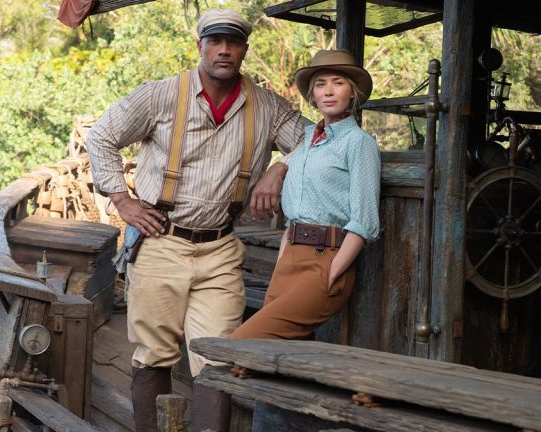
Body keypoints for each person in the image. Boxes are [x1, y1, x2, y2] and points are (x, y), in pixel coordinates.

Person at [86, 8, 312, 432]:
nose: (224, 50)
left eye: (234, 43)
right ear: (200, 47)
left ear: (244, 49)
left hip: (221, 248)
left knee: (218, 355)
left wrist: (279, 168)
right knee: (153, 352)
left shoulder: (266, 106)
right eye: (216, 41)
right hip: (160, 240)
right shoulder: (160, 95)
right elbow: (101, 136)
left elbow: (317, 139)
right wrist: (121, 199)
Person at [230, 49, 381, 346]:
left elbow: (364, 220)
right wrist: (283, 261)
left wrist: (333, 271)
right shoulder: (308, 140)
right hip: (289, 259)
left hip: (326, 261)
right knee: (283, 356)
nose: (328, 91)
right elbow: (294, 209)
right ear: (312, 94)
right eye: (321, 84)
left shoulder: (359, 143)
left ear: (353, 92)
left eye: (338, 82)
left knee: (243, 343)